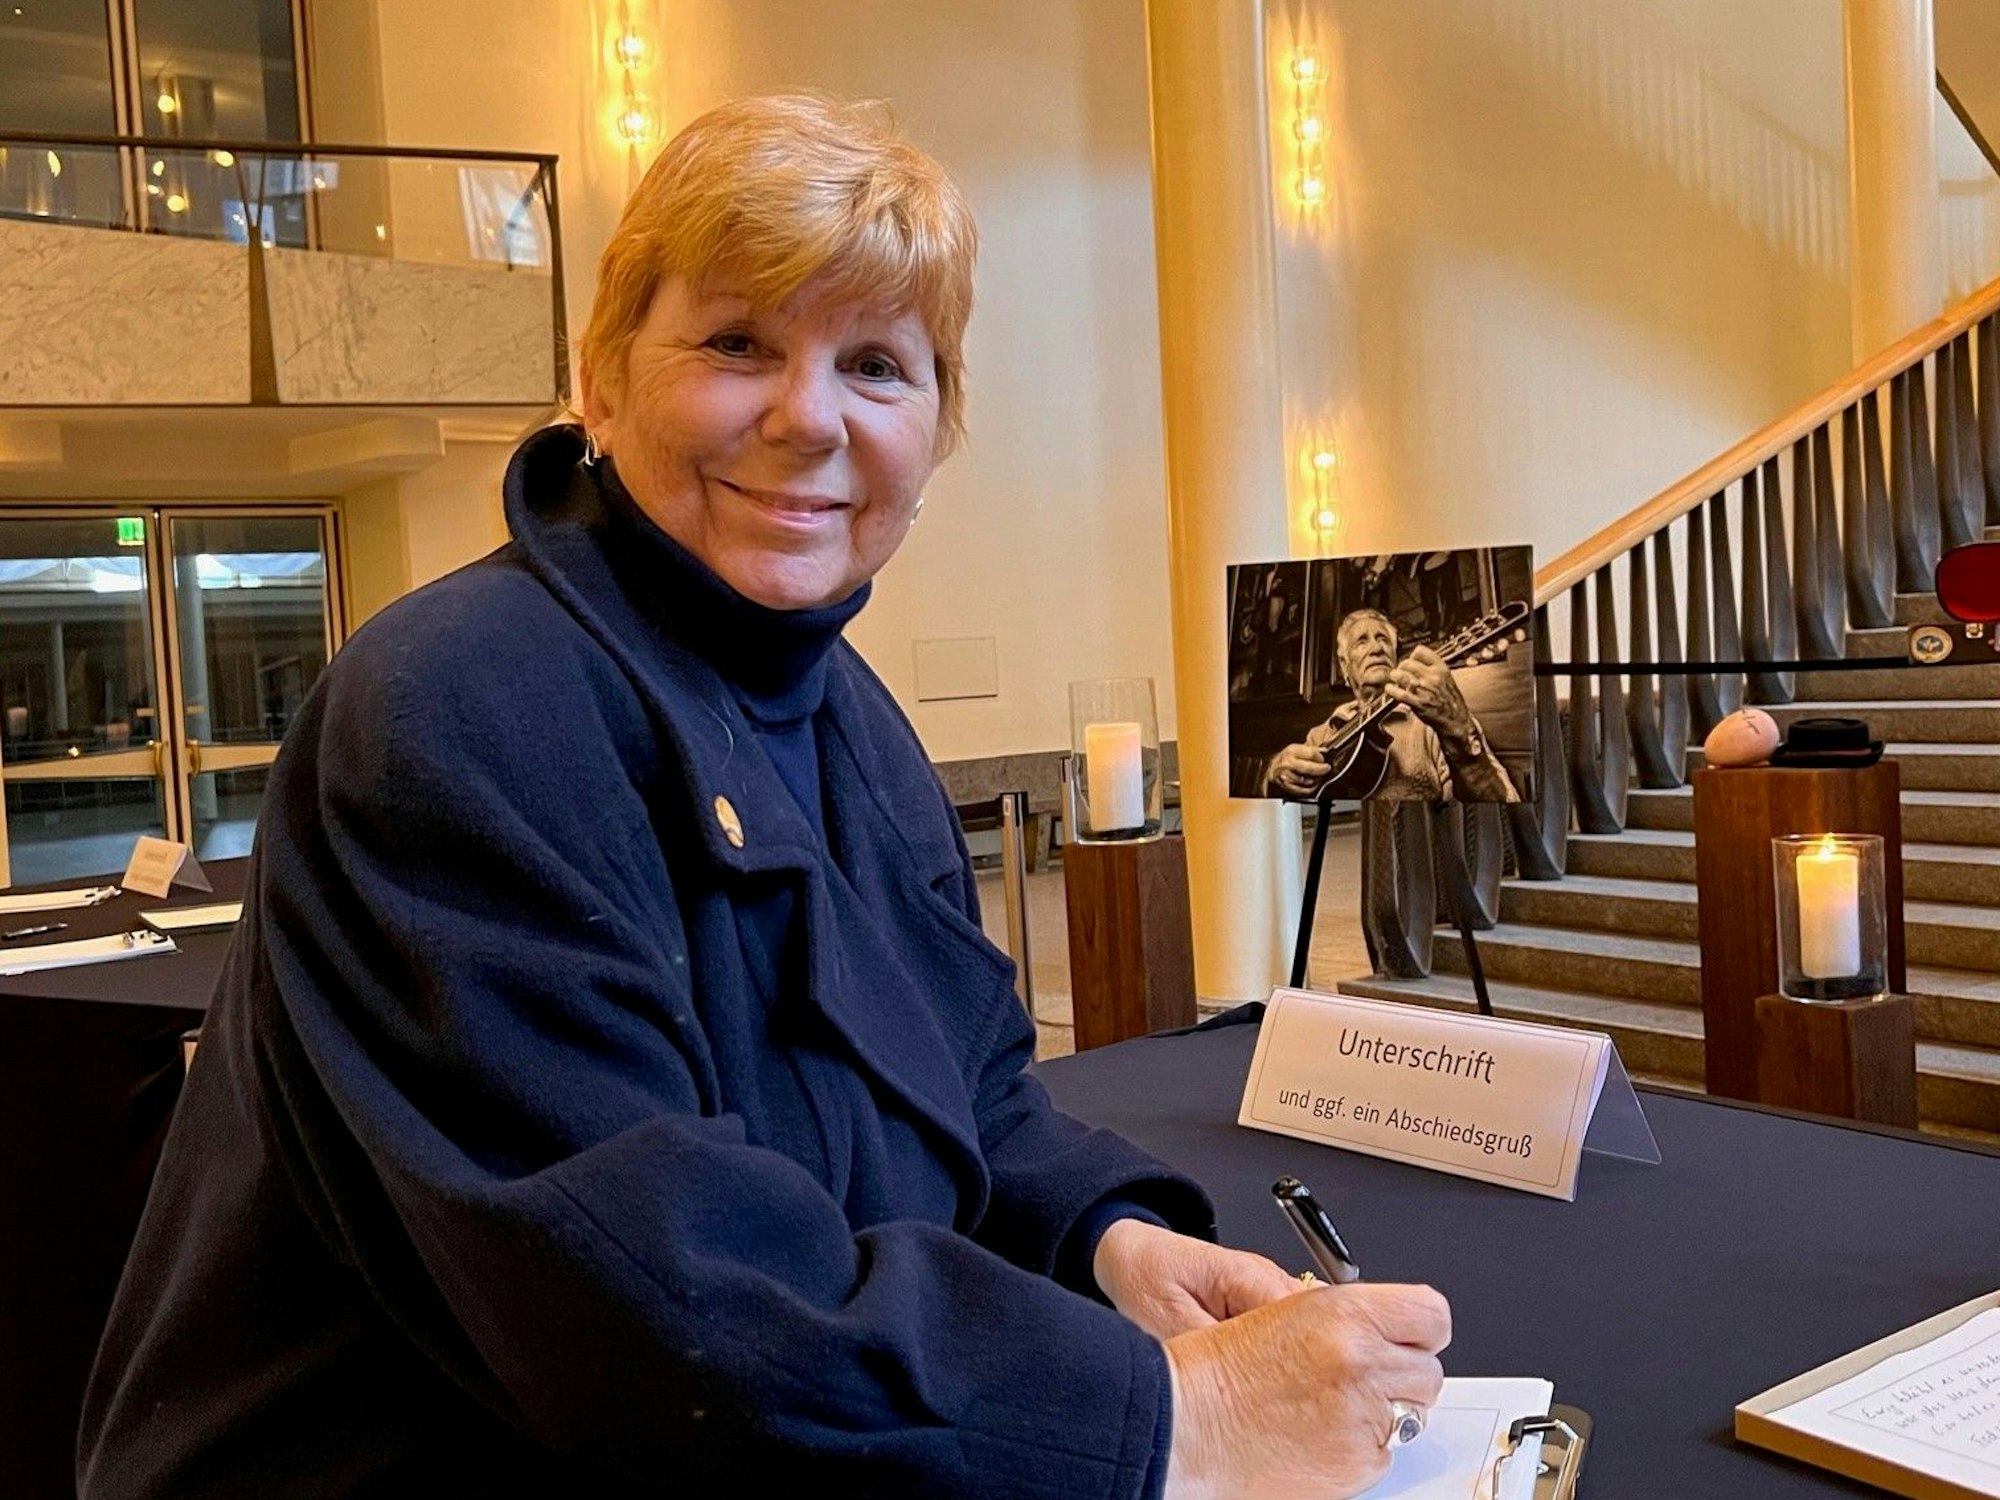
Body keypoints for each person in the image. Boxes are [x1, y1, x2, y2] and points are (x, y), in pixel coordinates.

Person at [78, 95, 1448, 1500]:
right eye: (737, 344)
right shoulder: (456, 700)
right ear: (601, 384)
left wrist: (1112, 1245)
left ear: (934, 427)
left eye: (876, 364)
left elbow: (975, 1087)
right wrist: (1167, 1419)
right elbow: (654, 1301)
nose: (809, 417)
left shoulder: (853, 719)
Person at [1266, 607, 1518, 802]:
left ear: (1396, 657)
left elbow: (1504, 803)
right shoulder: (1319, 734)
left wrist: (1459, 731)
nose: (1376, 647)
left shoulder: (1434, 721)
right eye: (1362, 641)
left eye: (1383, 639)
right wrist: (1274, 775)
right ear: (1345, 667)